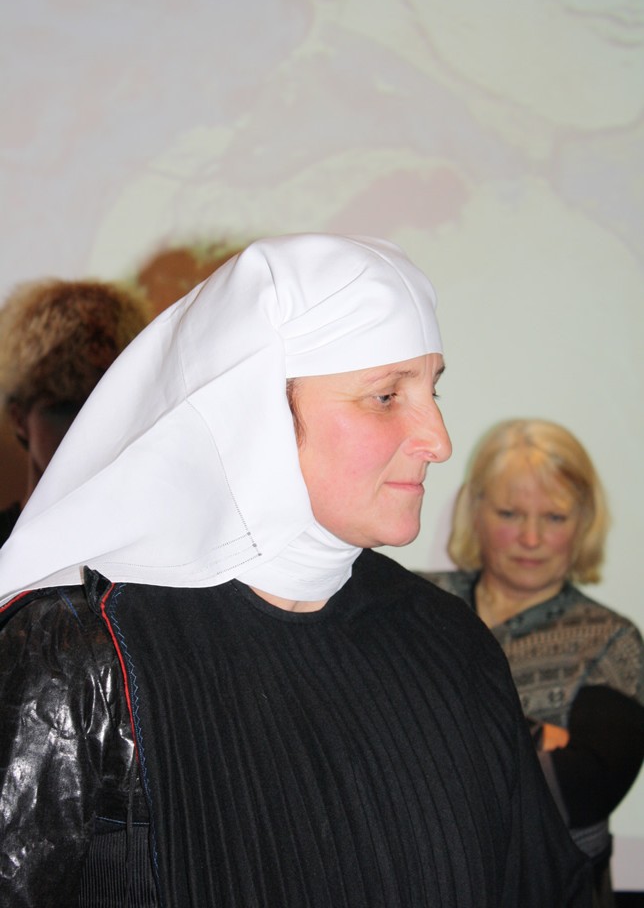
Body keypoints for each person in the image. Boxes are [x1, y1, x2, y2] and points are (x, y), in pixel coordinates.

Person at [0, 235, 591, 907]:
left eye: (433, 390)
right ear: (256, 413)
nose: (438, 439)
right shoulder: (84, 658)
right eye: (386, 396)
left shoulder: (450, 641)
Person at [430, 419, 644, 908]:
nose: (531, 538)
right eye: (510, 513)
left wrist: (432, 728)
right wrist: (536, 736)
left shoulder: (611, 642)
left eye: (554, 517)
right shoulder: (415, 603)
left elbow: (581, 789)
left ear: (584, 522)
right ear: (475, 511)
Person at [0, 277, 150, 545]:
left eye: (100, 408)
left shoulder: (160, 547)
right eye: (64, 408)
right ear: (19, 419)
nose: (83, 429)